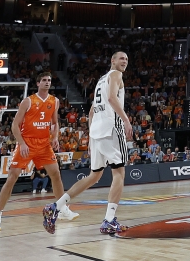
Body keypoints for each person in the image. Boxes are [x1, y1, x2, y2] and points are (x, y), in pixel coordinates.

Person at [45, 51, 133, 234]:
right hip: (111, 128)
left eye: (126, 59)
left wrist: (92, 138)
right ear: (113, 60)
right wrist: (125, 119)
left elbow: (92, 112)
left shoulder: (101, 80)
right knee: (119, 174)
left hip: (97, 132)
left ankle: (56, 206)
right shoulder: (116, 75)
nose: (124, 61)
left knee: (94, 176)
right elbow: (111, 98)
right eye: (121, 58)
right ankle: (109, 220)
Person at [0, 72, 70, 233]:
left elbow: (55, 123)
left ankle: (62, 209)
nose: (47, 82)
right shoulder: (28, 101)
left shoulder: (54, 101)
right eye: (44, 80)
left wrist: (54, 137)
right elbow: (14, 125)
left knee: (55, 174)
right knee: (12, 177)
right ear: (38, 83)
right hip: (27, 143)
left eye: (49, 80)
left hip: (44, 144)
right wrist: (21, 143)